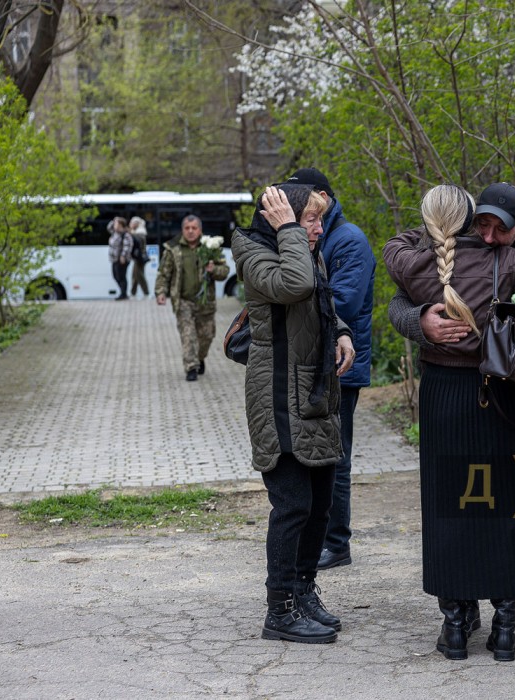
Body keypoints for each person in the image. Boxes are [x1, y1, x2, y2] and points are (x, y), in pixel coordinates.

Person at [382, 184, 515, 662]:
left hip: (451, 397)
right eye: (481, 221)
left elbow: (393, 251)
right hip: (500, 392)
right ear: (472, 219)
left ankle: (461, 621)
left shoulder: (417, 260)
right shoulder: (509, 261)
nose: (491, 231)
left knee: (458, 508)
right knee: (504, 502)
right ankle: (502, 621)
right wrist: (418, 318)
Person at [232, 183, 357, 644]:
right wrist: (289, 227)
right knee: (292, 506)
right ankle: (279, 609)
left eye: (321, 220)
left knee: (320, 504)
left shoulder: (305, 249)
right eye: (311, 219)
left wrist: (341, 331)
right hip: (278, 396)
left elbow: (318, 301)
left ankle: (304, 591)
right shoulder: (254, 252)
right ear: (278, 219)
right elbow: (294, 286)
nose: (319, 229)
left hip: (316, 391)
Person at [284, 168, 377, 572]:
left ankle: (337, 543)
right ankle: (322, 537)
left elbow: (344, 303)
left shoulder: (348, 240)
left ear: (320, 195)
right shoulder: (322, 236)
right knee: (321, 455)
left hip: (341, 365)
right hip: (320, 363)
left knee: (336, 457)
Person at [154, 216, 229, 381]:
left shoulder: (211, 248)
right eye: (187, 228)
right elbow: (164, 273)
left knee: (207, 336)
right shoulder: (172, 249)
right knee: (188, 335)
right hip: (183, 301)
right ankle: (191, 367)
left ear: (200, 230)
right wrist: (160, 292)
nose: (190, 231)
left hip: (205, 302)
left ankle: (200, 357)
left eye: (194, 228)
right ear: (182, 230)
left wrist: (213, 269)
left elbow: (224, 271)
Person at [107, 217, 133, 301]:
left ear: (121, 225)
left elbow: (127, 246)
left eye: (117, 224)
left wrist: (123, 256)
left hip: (122, 259)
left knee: (121, 276)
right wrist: (114, 220)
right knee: (115, 276)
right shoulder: (115, 233)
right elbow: (108, 227)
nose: (115, 225)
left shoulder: (125, 234)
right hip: (114, 259)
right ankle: (123, 292)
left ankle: (123, 294)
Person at [129, 216, 150, 299]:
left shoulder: (140, 233)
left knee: (139, 275)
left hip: (140, 258)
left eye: (132, 223)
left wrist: (132, 234)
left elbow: (138, 245)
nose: (130, 224)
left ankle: (146, 293)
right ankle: (133, 293)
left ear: (136, 224)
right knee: (135, 276)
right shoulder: (137, 232)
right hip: (138, 257)